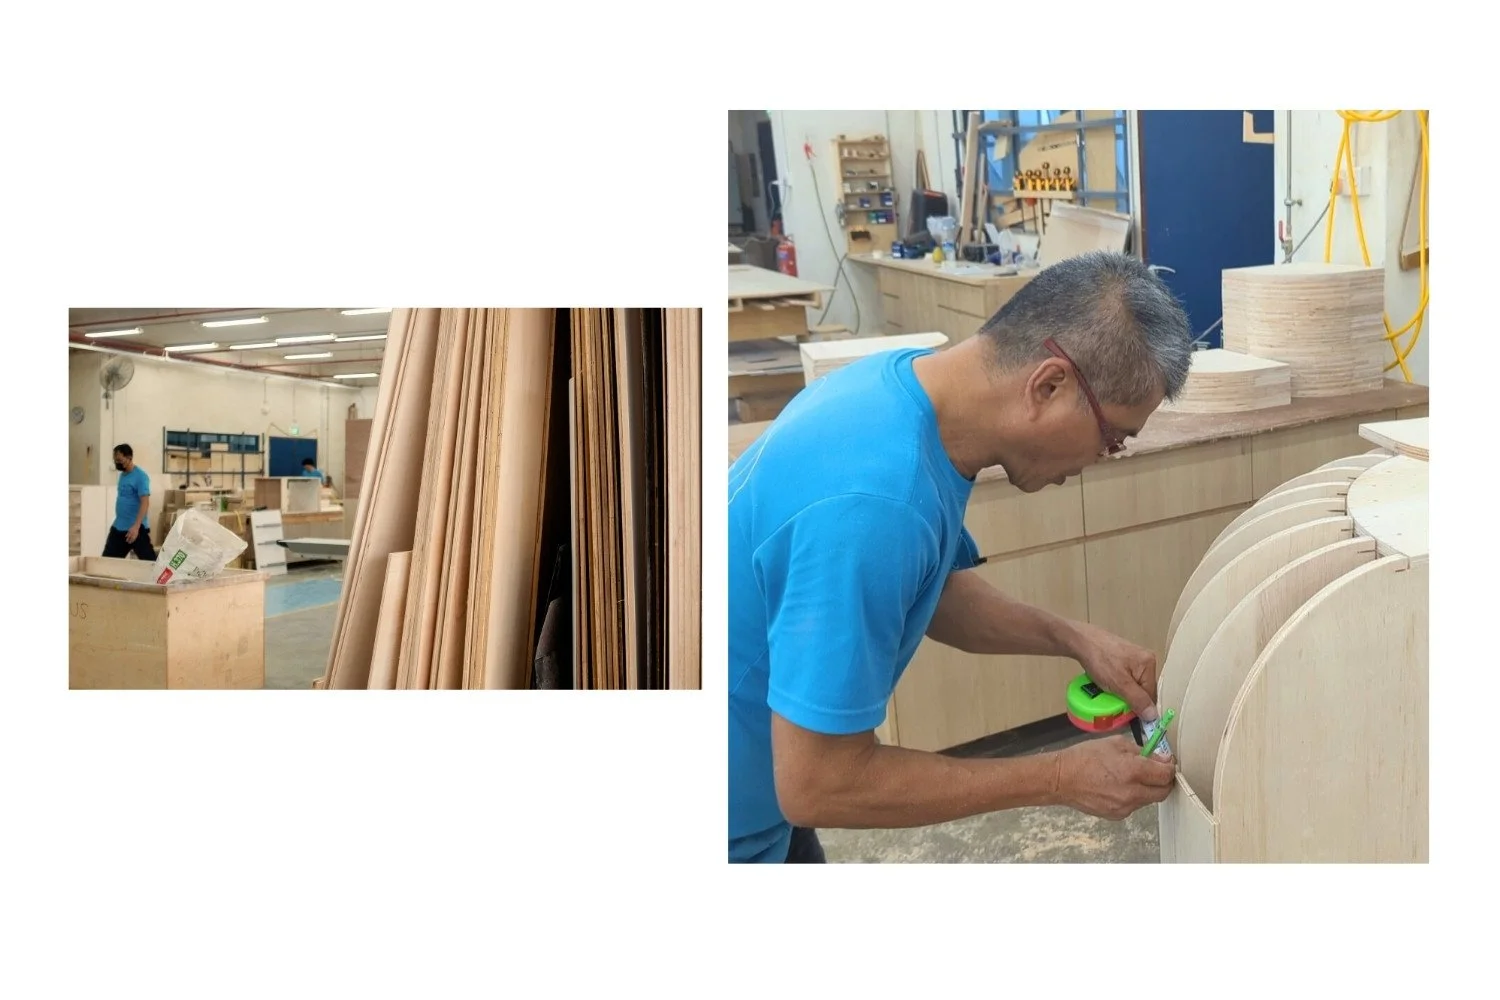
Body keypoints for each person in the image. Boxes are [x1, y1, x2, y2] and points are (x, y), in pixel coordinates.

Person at [727, 251, 1194, 864]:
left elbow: (930, 589)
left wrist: (1073, 638)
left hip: (759, 804)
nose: (1100, 460)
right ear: (1048, 385)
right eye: (1112, 439)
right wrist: (1056, 778)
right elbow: (821, 782)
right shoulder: (872, 504)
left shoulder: (901, 390)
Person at [103, 444, 157, 562]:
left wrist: (136, 526)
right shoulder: (122, 475)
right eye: (115, 460)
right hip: (119, 527)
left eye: (120, 460)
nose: (117, 463)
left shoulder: (141, 477)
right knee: (107, 563)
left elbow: (145, 503)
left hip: (136, 529)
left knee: (150, 564)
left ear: (129, 457)